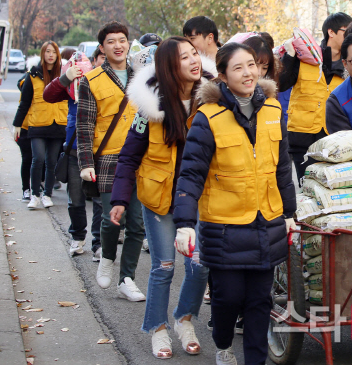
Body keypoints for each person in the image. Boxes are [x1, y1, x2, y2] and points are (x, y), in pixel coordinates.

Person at [173, 42, 296, 365]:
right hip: (224, 226)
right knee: (228, 298)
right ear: (223, 76)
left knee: (259, 300)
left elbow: (282, 166)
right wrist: (185, 223)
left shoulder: (273, 110)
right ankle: (223, 342)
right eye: (238, 67)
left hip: (266, 223)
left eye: (252, 65)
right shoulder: (207, 117)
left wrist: (289, 213)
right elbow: (191, 174)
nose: (248, 73)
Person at [110, 37, 216, 359]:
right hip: (158, 198)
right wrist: (119, 199)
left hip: (199, 197)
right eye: (184, 57)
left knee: (199, 266)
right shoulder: (150, 105)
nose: (194, 61)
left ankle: (184, 320)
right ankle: (157, 328)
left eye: (194, 54)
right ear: (170, 67)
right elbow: (129, 156)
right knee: (164, 267)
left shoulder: (212, 99)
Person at [77, 21, 145, 301]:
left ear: (128, 44)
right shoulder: (91, 80)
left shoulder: (143, 77)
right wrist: (85, 163)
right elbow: (84, 125)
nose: (118, 45)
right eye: (111, 41)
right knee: (111, 219)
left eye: (122, 40)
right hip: (107, 159)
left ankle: (126, 278)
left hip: (141, 158)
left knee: (138, 224)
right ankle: (107, 257)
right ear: (102, 48)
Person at [279, 12, 352, 181]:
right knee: (306, 188)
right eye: (346, 32)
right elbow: (281, 84)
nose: (351, 37)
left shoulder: (349, 64)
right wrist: (289, 57)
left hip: (333, 140)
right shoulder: (305, 57)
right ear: (331, 32)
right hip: (301, 139)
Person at [43, 53, 103, 259]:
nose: (104, 61)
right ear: (94, 61)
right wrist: (65, 77)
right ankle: (77, 237)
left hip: (102, 151)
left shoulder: (116, 84)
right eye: (101, 57)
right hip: (75, 149)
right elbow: (49, 95)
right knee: (76, 199)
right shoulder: (79, 81)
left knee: (100, 201)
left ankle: (99, 244)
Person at [13, 41, 68, 209]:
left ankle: (47, 194)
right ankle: (35, 194)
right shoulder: (32, 75)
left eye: (54, 52)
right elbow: (25, 102)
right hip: (37, 124)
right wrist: (17, 124)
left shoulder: (64, 75)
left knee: (51, 161)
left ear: (58, 55)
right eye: (47, 52)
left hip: (58, 124)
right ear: (42, 54)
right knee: (37, 159)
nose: (50, 55)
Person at [15, 73, 33, 202]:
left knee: (40, 159)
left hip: (43, 126)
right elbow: (23, 106)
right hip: (26, 126)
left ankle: (38, 184)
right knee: (27, 158)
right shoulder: (29, 78)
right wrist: (17, 125)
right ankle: (26, 188)